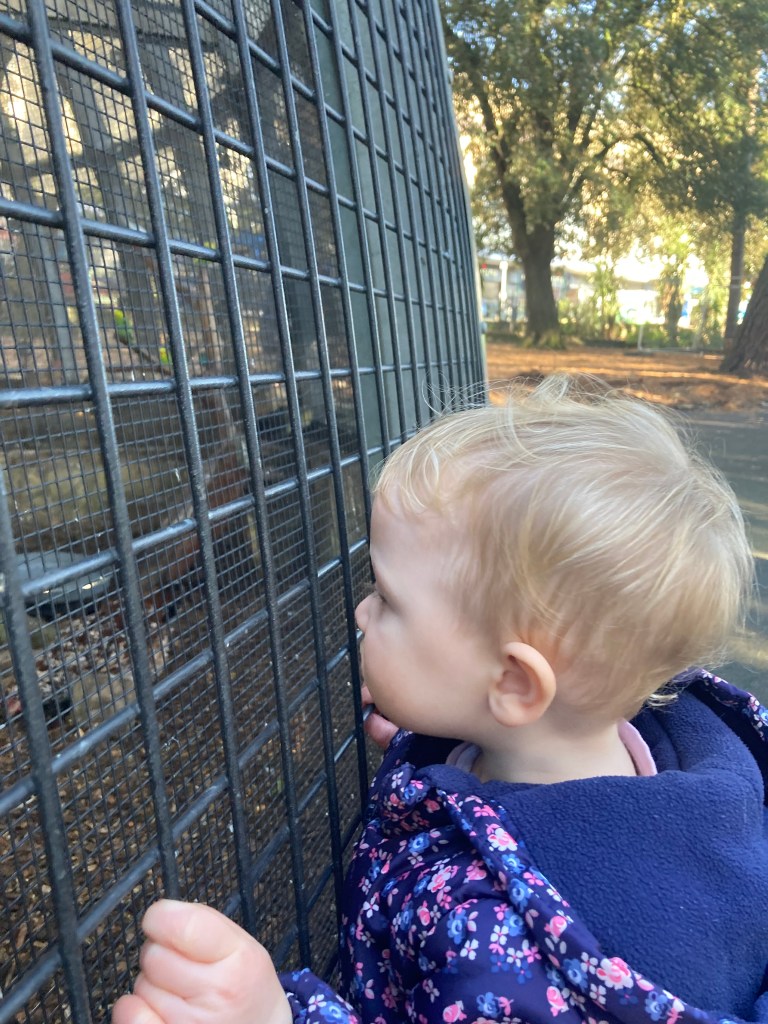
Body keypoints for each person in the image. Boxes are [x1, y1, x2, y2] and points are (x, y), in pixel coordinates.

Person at [112, 375, 768, 1024]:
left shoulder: (498, 942)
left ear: (514, 684)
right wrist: (438, 737)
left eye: (389, 600)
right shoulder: (669, 755)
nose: (362, 613)